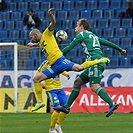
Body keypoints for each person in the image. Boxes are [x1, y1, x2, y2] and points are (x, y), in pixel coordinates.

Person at [54, 18, 127, 118]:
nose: (75, 28)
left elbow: (69, 47)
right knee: (78, 82)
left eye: (77, 25)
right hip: (95, 63)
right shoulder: (93, 35)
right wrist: (120, 49)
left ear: (81, 27)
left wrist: (57, 57)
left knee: (94, 86)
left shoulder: (81, 35)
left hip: (95, 62)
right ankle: (67, 106)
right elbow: (106, 42)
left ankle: (112, 103)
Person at [27, 8, 110, 87]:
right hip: (54, 67)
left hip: (61, 61)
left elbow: (53, 23)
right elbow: (42, 44)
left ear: (35, 35)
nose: (32, 39)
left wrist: (50, 15)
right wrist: (34, 45)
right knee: (36, 79)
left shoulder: (46, 34)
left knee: (79, 68)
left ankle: (98, 61)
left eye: (31, 37)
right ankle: (40, 101)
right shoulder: (40, 42)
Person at [32, 60, 70, 133]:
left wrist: (65, 74)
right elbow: (37, 73)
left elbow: (60, 69)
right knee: (57, 108)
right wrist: (42, 82)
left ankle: (58, 125)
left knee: (67, 108)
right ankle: (52, 129)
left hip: (60, 88)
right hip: (50, 89)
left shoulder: (57, 60)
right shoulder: (45, 63)